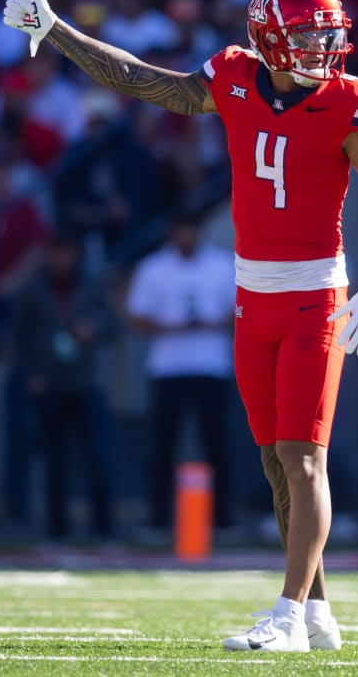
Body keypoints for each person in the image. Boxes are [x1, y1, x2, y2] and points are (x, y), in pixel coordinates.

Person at [3, 0, 358, 652]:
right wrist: (56, 31)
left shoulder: (352, 102)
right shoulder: (234, 78)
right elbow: (142, 79)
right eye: (308, 34)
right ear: (271, 39)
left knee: (303, 456)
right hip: (252, 297)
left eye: (326, 34)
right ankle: (315, 610)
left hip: (316, 294)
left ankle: (286, 612)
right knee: (275, 462)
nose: (323, 47)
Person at [127, 210, 236, 532]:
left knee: (217, 443)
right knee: (162, 445)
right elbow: (137, 316)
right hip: (167, 367)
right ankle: (159, 516)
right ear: (172, 233)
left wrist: (209, 324)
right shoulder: (153, 268)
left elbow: (239, 311)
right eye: (180, 231)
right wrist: (172, 328)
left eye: (191, 230)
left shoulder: (221, 264)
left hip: (211, 366)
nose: (186, 237)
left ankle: (222, 518)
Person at [11, 231, 118, 541]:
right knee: (55, 462)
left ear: (77, 254)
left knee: (99, 457)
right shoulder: (33, 289)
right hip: (49, 384)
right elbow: (19, 337)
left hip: (86, 383)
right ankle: (57, 528)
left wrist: (92, 329)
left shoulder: (91, 284)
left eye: (68, 253)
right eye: (58, 253)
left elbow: (114, 325)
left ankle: (104, 528)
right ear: (49, 254)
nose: (63, 260)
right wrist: (30, 374)